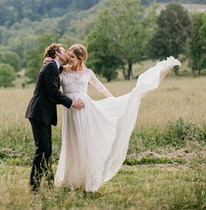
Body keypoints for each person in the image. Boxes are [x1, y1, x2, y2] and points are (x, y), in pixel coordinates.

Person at [46, 44, 180, 192]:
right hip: (71, 110)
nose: (68, 59)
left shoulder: (88, 73)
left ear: (80, 59)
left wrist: (113, 101)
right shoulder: (62, 71)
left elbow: (101, 87)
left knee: (85, 143)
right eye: (68, 56)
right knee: (72, 143)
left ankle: (86, 180)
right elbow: (50, 71)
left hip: (85, 110)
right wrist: (47, 60)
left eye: (72, 57)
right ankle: (70, 180)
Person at [25, 43, 85, 193]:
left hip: (44, 114)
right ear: (57, 53)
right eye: (65, 52)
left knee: (47, 150)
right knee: (42, 150)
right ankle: (34, 187)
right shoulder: (51, 66)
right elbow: (53, 92)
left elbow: (60, 71)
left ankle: (48, 182)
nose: (67, 55)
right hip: (39, 113)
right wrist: (71, 102)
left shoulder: (53, 66)